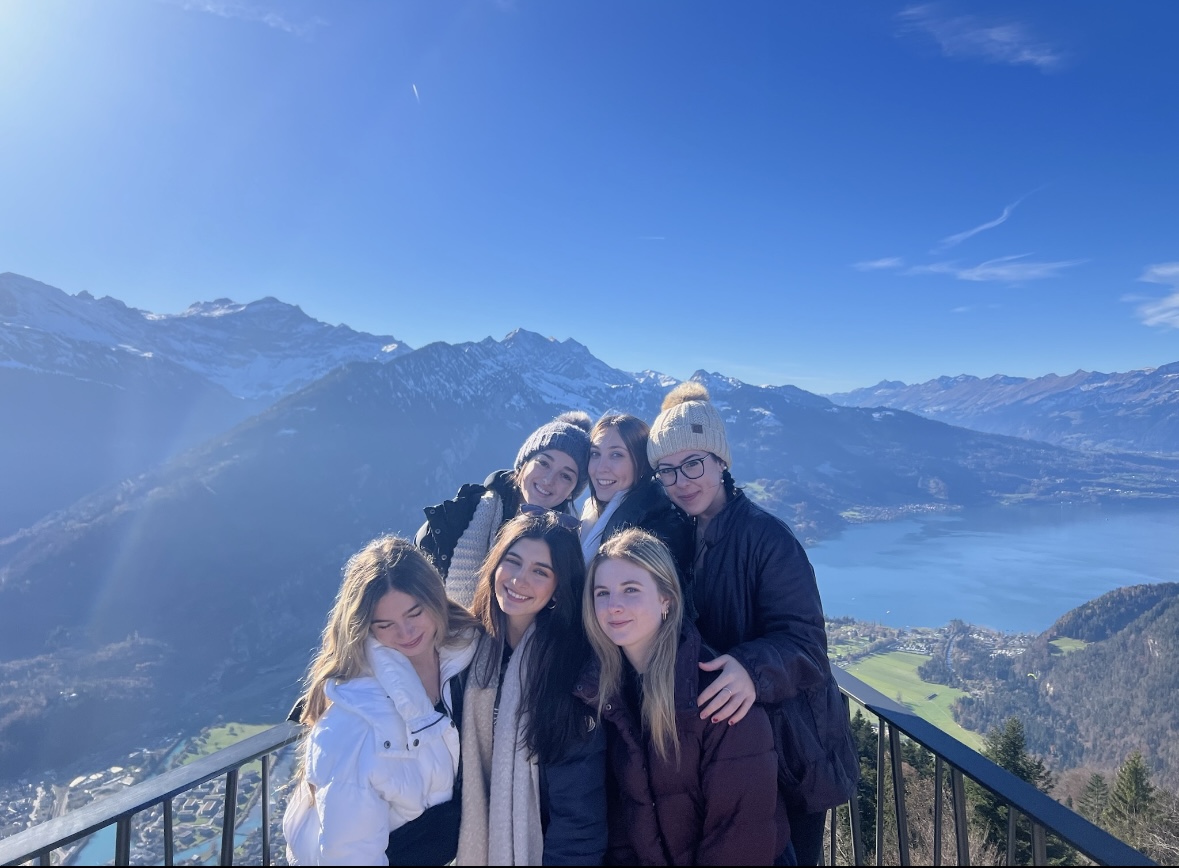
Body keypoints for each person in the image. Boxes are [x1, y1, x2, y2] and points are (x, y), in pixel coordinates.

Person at [646, 382, 859, 867]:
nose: (682, 480)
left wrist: (747, 667)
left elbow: (807, 645)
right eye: (668, 470)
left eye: (694, 463)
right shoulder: (687, 534)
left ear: (722, 461)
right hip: (739, 751)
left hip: (792, 754)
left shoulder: (767, 538)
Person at [579, 527, 787, 865]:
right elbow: (619, 823)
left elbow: (739, 837)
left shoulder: (717, 694)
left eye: (630, 590)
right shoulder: (604, 692)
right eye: (602, 593)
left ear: (667, 599)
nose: (613, 606)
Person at [282, 536, 482, 866]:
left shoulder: (466, 653)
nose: (406, 633)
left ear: (435, 599)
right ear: (366, 628)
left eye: (414, 613)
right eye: (385, 625)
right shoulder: (354, 721)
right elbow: (347, 854)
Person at [455, 510, 607, 866]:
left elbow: (578, 811)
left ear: (559, 588)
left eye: (540, 572)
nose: (519, 579)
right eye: (513, 561)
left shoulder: (574, 669)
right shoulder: (464, 651)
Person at [416, 410, 593, 608]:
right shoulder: (458, 517)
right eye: (543, 463)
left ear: (572, 491)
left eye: (566, 476)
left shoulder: (572, 548)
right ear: (523, 464)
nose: (548, 480)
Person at [579, 413, 693, 592]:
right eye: (595, 454)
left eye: (616, 455)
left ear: (641, 463)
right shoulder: (592, 515)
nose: (601, 468)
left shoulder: (657, 532)